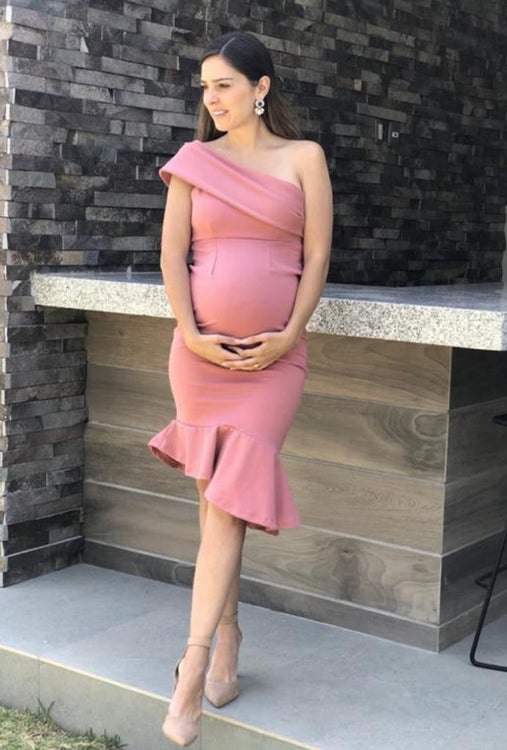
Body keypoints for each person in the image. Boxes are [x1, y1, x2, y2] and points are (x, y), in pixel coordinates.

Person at [147, 29, 333, 747]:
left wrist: (290, 334)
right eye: (205, 87)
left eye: (223, 84)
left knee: (226, 508)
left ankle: (190, 672)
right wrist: (192, 334)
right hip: (199, 359)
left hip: (272, 365)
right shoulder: (194, 162)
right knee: (214, 507)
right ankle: (226, 637)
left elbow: (317, 253)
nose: (212, 98)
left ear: (261, 87)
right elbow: (173, 256)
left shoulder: (304, 158)